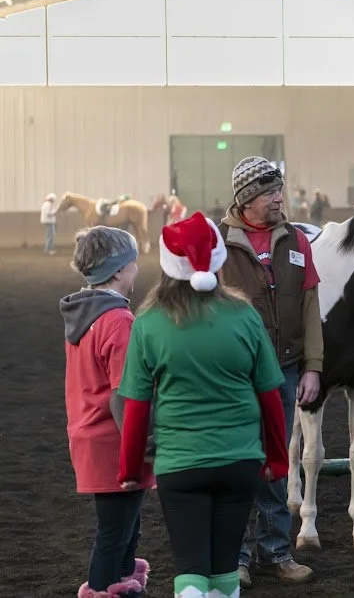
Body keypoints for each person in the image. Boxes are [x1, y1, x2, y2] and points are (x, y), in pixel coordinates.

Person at [117, 211, 290, 598]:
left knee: (191, 568)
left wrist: (130, 468)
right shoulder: (245, 315)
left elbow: (137, 408)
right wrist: (277, 460)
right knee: (225, 566)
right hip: (240, 460)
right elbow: (270, 398)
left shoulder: (147, 324)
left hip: (181, 464)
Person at [218, 156, 323, 587]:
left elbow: (312, 307)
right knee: (240, 462)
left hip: (284, 371)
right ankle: (237, 556)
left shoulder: (297, 240)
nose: (279, 197)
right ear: (245, 199)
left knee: (278, 461)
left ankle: (277, 550)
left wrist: (313, 367)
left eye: (279, 189)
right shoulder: (218, 245)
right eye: (268, 191)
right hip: (234, 377)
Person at [59, 226, 153, 598]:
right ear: (117, 271)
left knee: (125, 526)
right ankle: (101, 588)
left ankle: (122, 582)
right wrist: (141, 445)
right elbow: (124, 395)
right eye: (133, 263)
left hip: (90, 437)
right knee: (115, 531)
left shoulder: (84, 316)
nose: (137, 270)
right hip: (115, 441)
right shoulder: (118, 322)